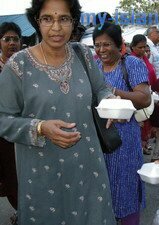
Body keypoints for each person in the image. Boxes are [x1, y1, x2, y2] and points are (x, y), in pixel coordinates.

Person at [0, 0, 117, 224]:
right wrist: (40, 127)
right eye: (47, 19)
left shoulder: (82, 54)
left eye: (63, 18)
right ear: (37, 21)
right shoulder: (18, 66)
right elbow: (3, 119)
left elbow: (100, 88)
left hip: (88, 169)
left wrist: (110, 101)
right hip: (42, 174)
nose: (56, 27)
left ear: (73, 21)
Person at [93, 22, 151, 225]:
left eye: (106, 44)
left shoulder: (132, 64)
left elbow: (144, 98)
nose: (101, 50)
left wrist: (112, 90)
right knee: (102, 190)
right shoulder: (95, 67)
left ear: (120, 45)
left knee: (125, 189)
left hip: (125, 140)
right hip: (100, 139)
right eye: (97, 45)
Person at [0, 21, 21, 224]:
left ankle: (25, 210)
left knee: (25, 175)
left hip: (25, 131)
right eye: (7, 39)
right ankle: (21, 210)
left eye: (15, 39)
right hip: (3, 135)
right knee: (8, 175)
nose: (12, 43)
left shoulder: (27, 67)